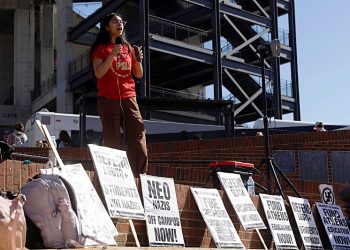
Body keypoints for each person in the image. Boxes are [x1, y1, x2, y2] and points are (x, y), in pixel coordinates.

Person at [90, 12, 148, 177]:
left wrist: (138, 59)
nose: (119, 24)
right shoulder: (100, 49)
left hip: (129, 97)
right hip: (108, 100)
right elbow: (99, 73)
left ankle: (139, 174)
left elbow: (138, 74)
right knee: (112, 139)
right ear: (107, 27)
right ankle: (114, 175)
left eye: (121, 21)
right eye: (115, 21)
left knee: (137, 134)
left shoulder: (129, 48)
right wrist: (112, 55)